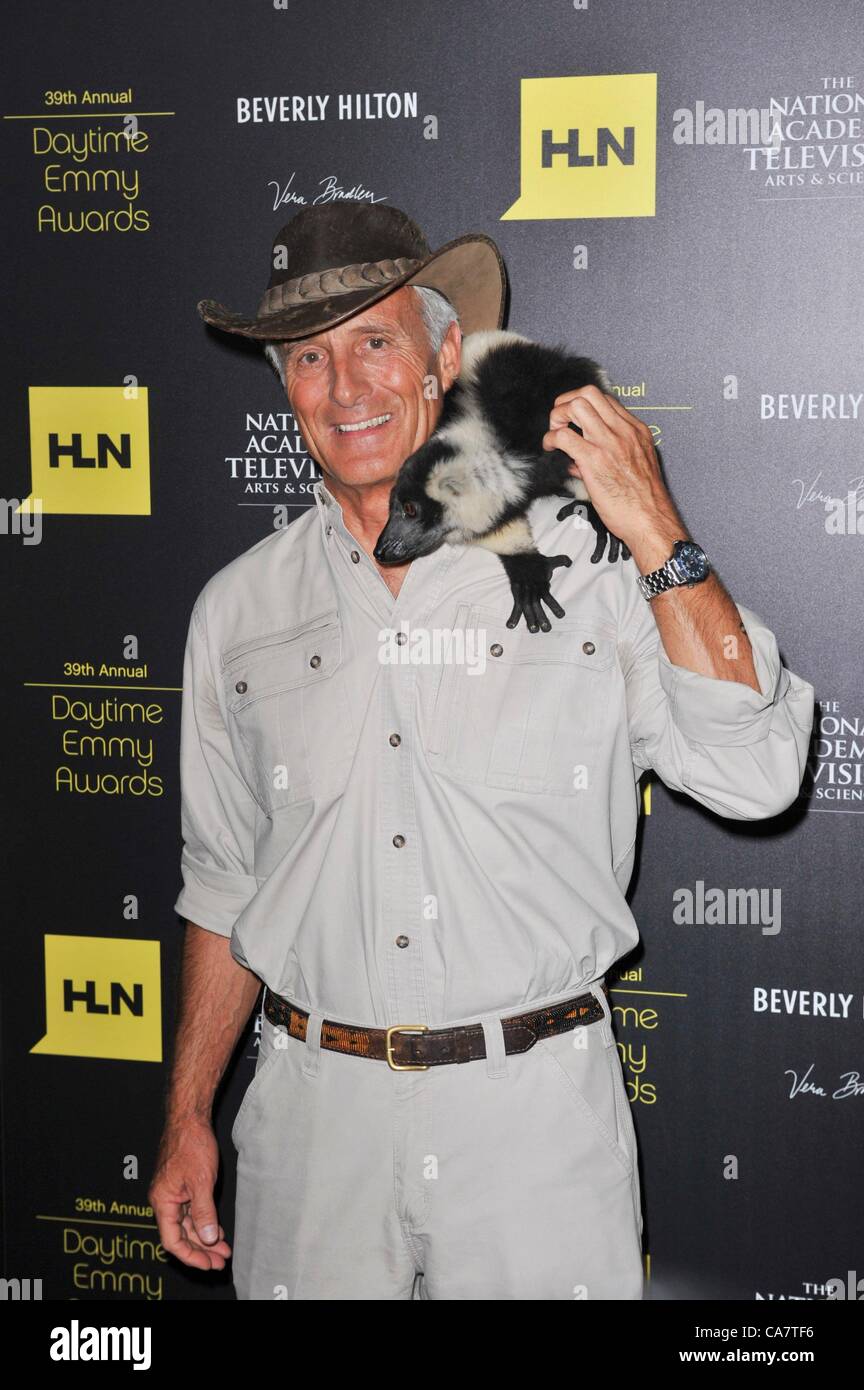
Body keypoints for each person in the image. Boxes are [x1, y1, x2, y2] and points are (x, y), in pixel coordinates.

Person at [148, 202, 815, 1300]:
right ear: (286, 391)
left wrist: (655, 526)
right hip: (310, 1131)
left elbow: (758, 775)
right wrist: (185, 1115)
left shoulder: (592, 558)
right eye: (309, 357)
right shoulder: (235, 612)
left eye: (374, 341)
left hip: (533, 1132)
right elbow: (223, 885)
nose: (345, 385)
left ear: (444, 360)